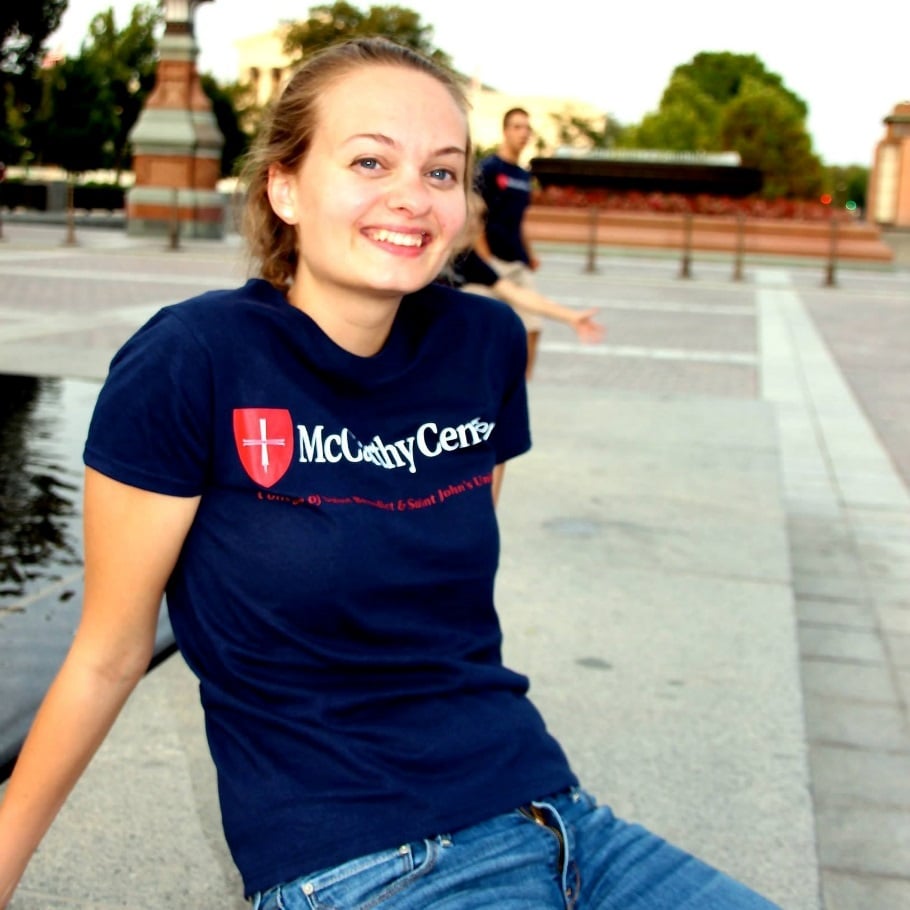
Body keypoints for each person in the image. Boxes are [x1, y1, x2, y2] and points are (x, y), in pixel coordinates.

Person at [0, 37, 780, 910]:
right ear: (284, 187)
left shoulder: (481, 346)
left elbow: (447, 611)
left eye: (443, 172)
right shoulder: (194, 360)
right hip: (357, 857)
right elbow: (108, 655)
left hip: (555, 815)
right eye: (371, 160)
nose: (412, 195)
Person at [443, 192, 605, 356]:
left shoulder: (467, 259)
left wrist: (570, 316)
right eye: (471, 221)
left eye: (480, 220)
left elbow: (515, 293)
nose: (477, 227)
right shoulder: (425, 257)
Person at [475, 107, 546, 376]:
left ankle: (518, 389)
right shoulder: (489, 169)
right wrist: (486, 259)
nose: (523, 133)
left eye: (527, 128)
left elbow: (520, 220)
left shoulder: (524, 176)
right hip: (490, 264)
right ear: (505, 131)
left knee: (532, 327)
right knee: (487, 331)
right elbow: (476, 217)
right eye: (517, 127)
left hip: (516, 262)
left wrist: (530, 253)